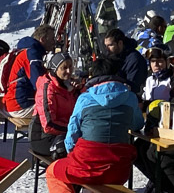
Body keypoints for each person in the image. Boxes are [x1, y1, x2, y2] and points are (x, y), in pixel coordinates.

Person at [46, 57, 143, 193]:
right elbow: (137, 124)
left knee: (52, 171)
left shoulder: (85, 99)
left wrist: (72, 154)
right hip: (119, 169)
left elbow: (72, 134)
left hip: (87, 166)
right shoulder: (131, 97)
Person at [31, 52, 80, 158]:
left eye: (70, 66)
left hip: (66, 132)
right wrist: (73, 129)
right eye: (64, 68)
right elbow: (48, 124)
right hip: (44, 137)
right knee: (77, 149)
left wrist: (80, 89)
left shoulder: (70, 85)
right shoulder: (48, 88)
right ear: (55, 69)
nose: (69, 71)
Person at [5, 24, 56, 118]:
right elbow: (39, 83)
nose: (54, 42)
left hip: (15, 101)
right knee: (62, 106)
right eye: (52, 39)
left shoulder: (26, 51)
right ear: (43, 39)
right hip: (22, 105)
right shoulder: (32, 54)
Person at [102, 27, 147, 95]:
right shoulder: (110, 57)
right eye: (106, 45)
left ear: (120, 43)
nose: (107, 49)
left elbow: (134, 86)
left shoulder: (134, 60)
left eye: (110, 45)